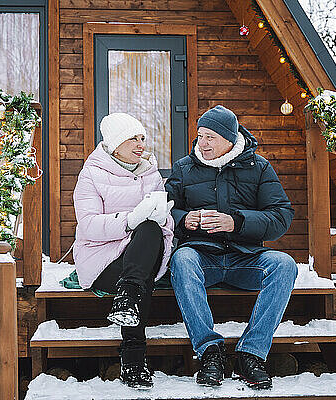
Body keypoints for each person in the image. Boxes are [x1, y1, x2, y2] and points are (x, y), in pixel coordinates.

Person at [165, 105, 297, 389]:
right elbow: (163, 212)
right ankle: (209, 352)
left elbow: (281, 216)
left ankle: (251, 354)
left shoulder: (258, 167)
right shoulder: (184, 168)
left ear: (230, 138)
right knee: (182, 258)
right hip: (202, 257)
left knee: (284, 264)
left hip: (245, 258)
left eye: (210, 137)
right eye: (200, 136)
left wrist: (236, 222)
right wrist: (184, 219)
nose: (202, 143)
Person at [73, 112, 174, 388]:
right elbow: (89, 225)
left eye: (142, 138)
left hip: (139, 258)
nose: (141, 144)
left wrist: (163, 215)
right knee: (140, 277)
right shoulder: (92, 174)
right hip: (104, 262)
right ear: (116, 144)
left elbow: (163, 227)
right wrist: (130, 220)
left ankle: (126, 300)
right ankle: (133, 360)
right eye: (133, 138)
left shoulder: (150, 173)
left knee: (151, 231)